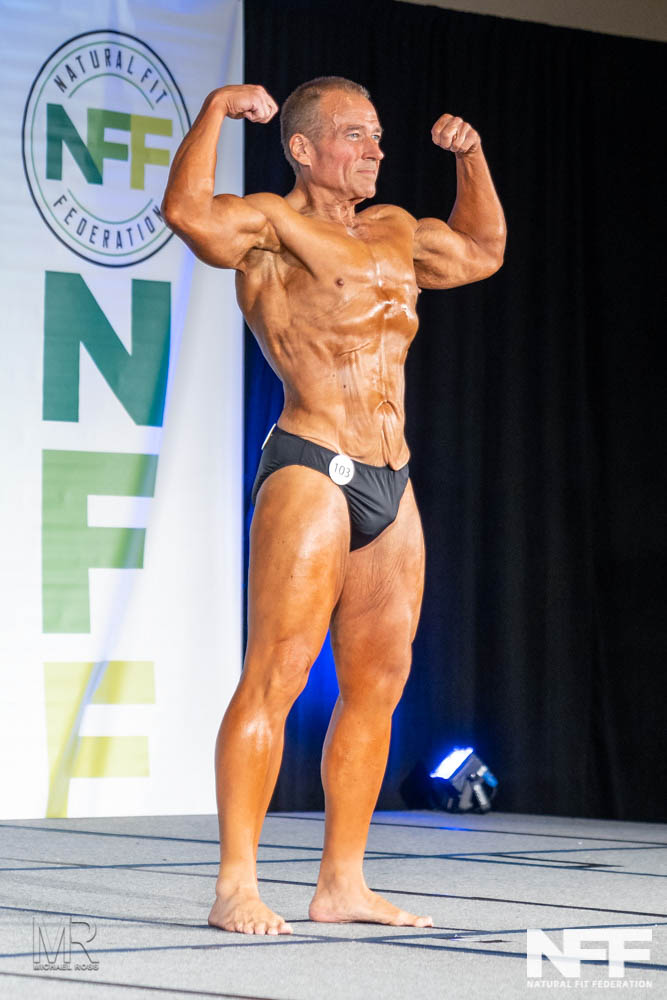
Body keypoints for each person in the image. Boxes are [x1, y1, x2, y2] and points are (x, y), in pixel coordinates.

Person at [162, 76, 506, 936]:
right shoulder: (270, 227)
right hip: (311, 462)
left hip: (393, 475)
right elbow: (188, 214)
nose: (375, 149)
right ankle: (236, 883)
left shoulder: (395, 230)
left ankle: (341, 883)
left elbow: (480, 251)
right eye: (355, 134)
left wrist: (470, 159)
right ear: (303, 148)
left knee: (378, 684)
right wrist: (215, 110)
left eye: (378, 134)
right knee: (275, 674)